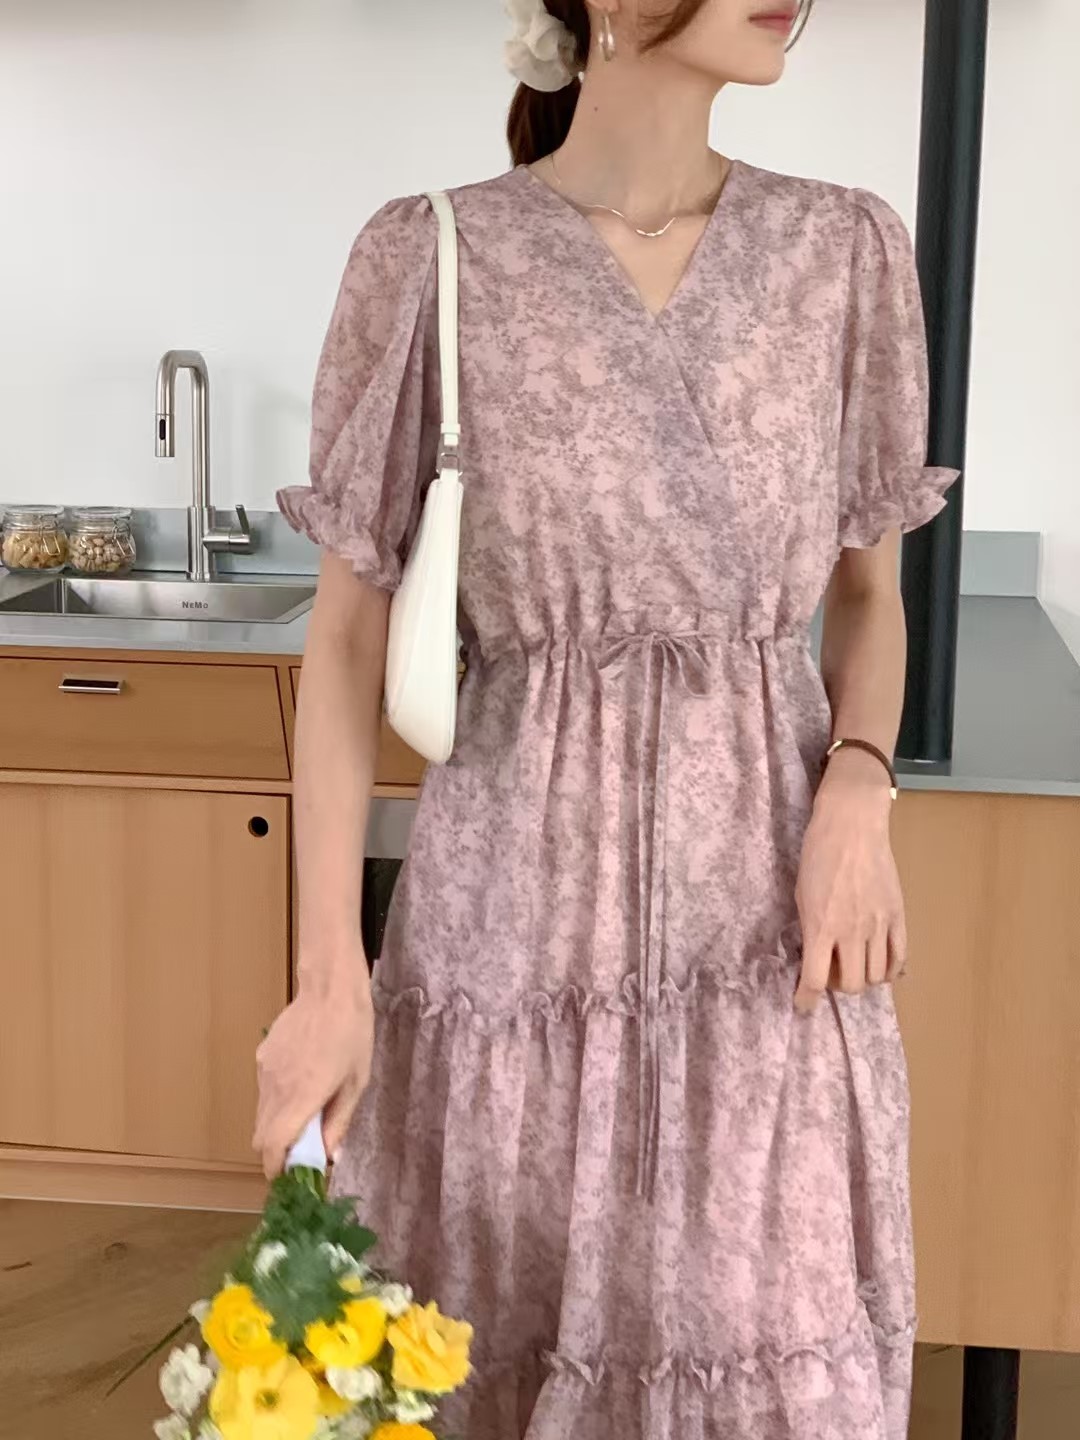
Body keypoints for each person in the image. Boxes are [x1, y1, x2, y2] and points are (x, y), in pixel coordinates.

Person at [254, 1, 958, 1435]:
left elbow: (870, 601)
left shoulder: (844, 253)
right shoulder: (431, 257)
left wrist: (859, 788)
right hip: (507, 940)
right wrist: (331, 980)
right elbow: (343, 641)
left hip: (764, 935)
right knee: (484, 1350)